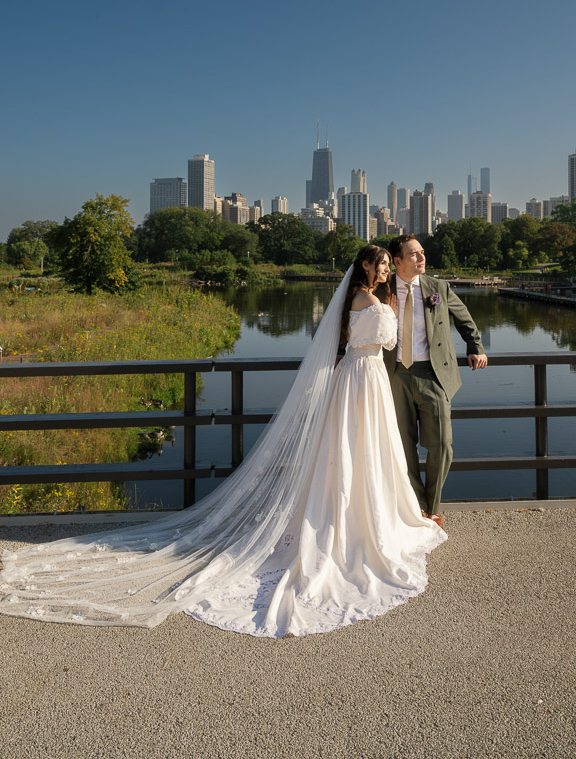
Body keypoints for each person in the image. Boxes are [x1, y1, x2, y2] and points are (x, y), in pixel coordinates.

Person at [0, 246, 445, 637]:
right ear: (365, 266)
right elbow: (387, 341)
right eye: (381, 263)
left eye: (389, 263)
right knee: (357, 451)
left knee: (355, 452)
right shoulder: (368, 299)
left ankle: (353, 513)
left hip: (359, 380)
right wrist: (387, 309)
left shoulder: (359, 298)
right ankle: (353, 521)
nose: (385, 268)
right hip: (363, 380)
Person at [377, 235, 487, 527]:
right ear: (397, 261)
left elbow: (465, 319)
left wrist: (475, 346)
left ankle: (434, 505)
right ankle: (418, 506)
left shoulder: (437, 287)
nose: (422, 258)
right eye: (414, 254)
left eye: (422, 252)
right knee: (403, 445)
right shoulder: (380, 290)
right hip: (393, 375)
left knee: (441, 444)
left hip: (433, 374)